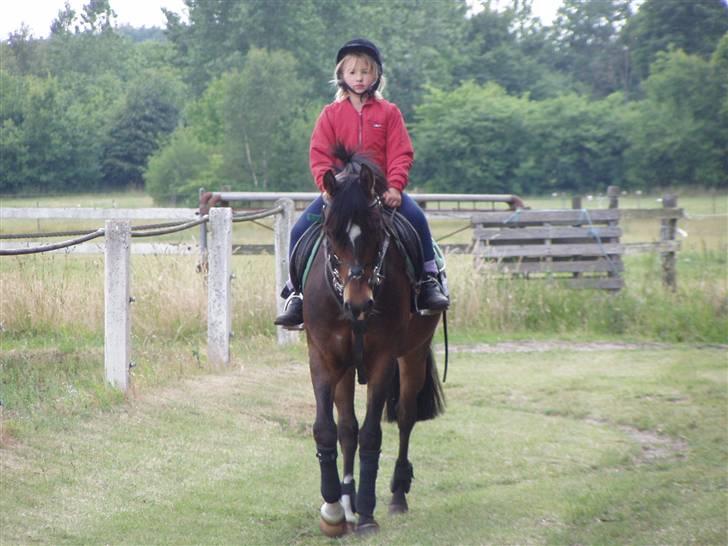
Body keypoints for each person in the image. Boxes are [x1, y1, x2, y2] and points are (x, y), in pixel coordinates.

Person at [275, 38, 448, 328]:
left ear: (376, 76)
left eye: (366, 72)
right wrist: (327, 186)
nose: (359, 78)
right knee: (299, 230)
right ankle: (296, 294)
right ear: (341, 75)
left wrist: (395, 186)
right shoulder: (330, 114)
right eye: (353, 72)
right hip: (339, 193)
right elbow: (319, 154)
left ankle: (428, 280)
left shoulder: (389, 112)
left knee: (417, 219)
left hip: (378, 191)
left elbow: (401, 152)